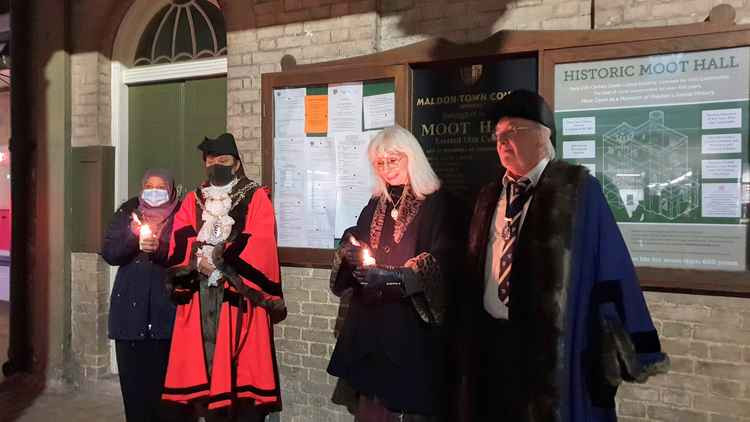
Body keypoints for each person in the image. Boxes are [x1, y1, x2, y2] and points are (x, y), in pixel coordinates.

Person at [461, 90, 670, 421]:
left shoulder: (576, 191)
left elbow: (611, 266)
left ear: (543, 136)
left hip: (550, 349)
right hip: (493, 344)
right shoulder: (489, 196)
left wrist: (625, 342)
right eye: (498, 135)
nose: (502, 142)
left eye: (513, 132)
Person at [327, 125, 458, 422]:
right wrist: (348, 254)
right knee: (372, 405)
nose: (387, 169)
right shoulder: (377, 203)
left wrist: (393, 277)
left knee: (406, 406)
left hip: (410, 325)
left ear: (411, 158)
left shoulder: (437, 203)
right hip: (371, 323)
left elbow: (445, 260)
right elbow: (358, 239)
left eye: (393, 160)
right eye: (380, 163)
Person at [161, 133, 286, 422]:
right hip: (199, 296)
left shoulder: (255, 196)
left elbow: (261, 241)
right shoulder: (193, 198)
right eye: (210, 160)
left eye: (224, 160)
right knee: (202, 381)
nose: (216, 164)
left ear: (237, 164)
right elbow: (180, 236)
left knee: (240, 378)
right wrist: (196, 260)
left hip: (237, 297)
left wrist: (221, 263)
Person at [102, 168, 180, 422]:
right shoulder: (128, 212)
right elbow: (110, 252)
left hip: (166, 318)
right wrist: (133, 239)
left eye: (160, 187)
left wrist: (160, 249)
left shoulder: (181, 215)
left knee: (166, 397)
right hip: (129, 319)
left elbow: (186, 256)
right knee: (135, 396)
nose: (154, 192)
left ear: (170, 190)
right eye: (149, 185)